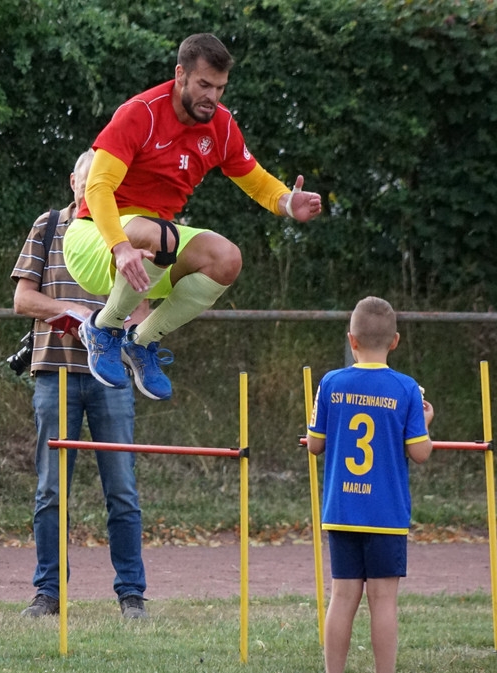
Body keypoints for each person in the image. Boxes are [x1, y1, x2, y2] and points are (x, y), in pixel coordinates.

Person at [63, 32, 323, 401]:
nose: (212, 97)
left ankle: (142, 342)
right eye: (204, 85)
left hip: (155, 251)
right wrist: (120, 246)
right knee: (162, 234)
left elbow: (257, 182)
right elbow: (98, 188)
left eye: (220, 88)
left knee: (226, 258)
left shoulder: (221, 125)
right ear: (180, 74)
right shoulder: (141, 113)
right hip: (94, 238)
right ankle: (103, 329)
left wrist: (286, 202)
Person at [11, 149, 150, 620]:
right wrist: (72, 314)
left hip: (112, 379)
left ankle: (131, 595)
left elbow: (143, 312)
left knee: (122, 489)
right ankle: (48, 593)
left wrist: (113, 330)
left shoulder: (128, 231)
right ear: (74, 182)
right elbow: (23, 299)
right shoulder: (48, 226)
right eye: (88, 182)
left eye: (104, 184)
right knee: (51, 491)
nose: (94, 190)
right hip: (54, 373)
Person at [306, 296, 435, 673]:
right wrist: (426, 422)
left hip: (342, 509)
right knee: (383, 600)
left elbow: (314, 444)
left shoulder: (331, 383)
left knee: (342, 596)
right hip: (386, 513)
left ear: (352, 340)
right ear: (395, 341)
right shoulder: (406, 388)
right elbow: (420, 452)